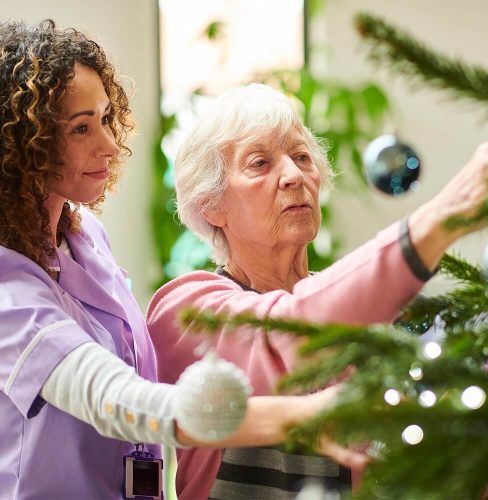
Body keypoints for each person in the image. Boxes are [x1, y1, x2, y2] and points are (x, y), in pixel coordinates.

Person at [0, 20, 365, 500]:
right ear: (23, 142)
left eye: (107, 119)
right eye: (82, 127)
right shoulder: (11, 289)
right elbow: (118, 400)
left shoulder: (89, 240)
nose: (110, 145)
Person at [147, 83, 488, 499]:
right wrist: (440, 218)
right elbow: (290, 336)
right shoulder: (185, 308)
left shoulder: (357, 306)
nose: (295, 176)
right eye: (259, 164)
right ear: (211, 205)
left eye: (301, 157)